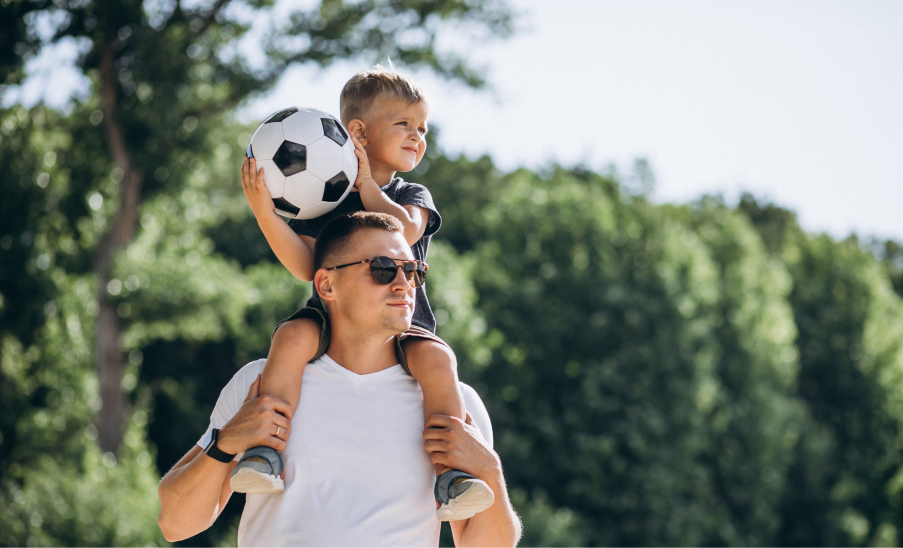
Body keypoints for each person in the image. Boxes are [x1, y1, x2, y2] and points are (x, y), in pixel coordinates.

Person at [157, 212, 521, 546]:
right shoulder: (261, 383)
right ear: (326, 284)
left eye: (412, 271)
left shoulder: (453, 402)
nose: (403, 284)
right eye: (382, 269)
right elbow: (176, 524)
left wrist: (490, 469)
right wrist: (225, 444)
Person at [236, 64, 488, 520]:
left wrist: (368, 184)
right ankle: (264, 454)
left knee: (439, 361)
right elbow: (305, 266)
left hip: (400, 324)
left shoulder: (413, 193)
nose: (417, 136)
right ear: (358, 132)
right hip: (332, 318)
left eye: (422, 128)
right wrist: (265, 214)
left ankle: (453, 475)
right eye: (404, 125)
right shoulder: (324, 196)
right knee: (290, 340)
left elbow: (405, 229)